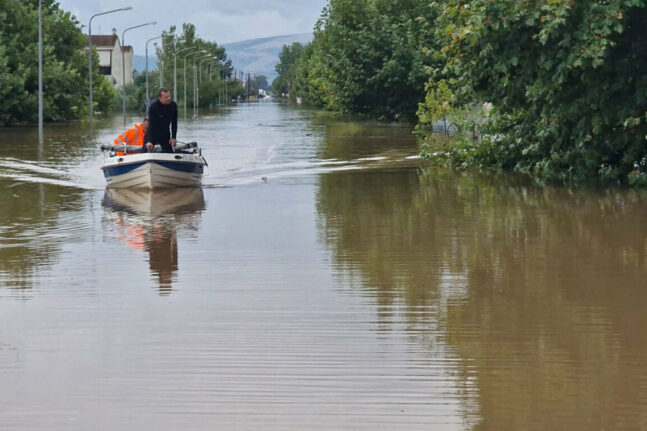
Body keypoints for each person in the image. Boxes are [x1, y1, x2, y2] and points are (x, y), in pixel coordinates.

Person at [144, 87, 178, 153]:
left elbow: (174, 123)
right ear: (160, 98)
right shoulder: (153, 107)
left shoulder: (173, 105)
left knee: (169, 154)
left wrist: (174, 137)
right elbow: (152, 125)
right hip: (153, 133)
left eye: (169, 96)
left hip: (165, 134)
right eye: (166, 97)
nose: (168, 98)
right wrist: (150, 141)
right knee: (146, 148)